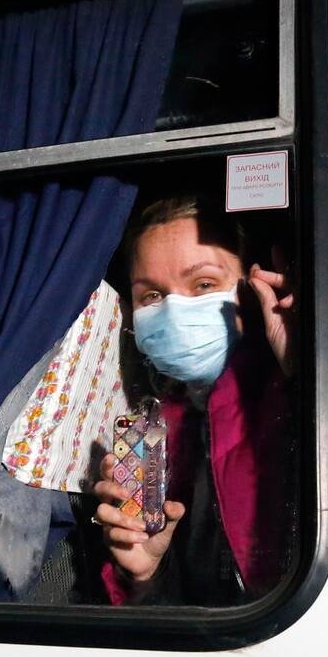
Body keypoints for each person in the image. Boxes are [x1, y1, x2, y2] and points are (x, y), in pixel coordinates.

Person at [92, 193, 296, 605]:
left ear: (248, 290)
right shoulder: (150, 430)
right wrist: (147, 574)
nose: (174, 310)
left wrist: (315, 362)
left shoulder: (297, 389)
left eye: (203, 284)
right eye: (151, 296)